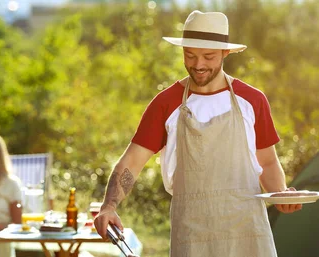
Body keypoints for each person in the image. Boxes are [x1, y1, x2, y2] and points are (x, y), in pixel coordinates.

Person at [93, 11, 302, 257]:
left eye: (208, 56)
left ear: (225, 53)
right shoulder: (166, 103)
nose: (198, 65)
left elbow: (266, 161)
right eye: (190, 55)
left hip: (248, 233)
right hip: (193, 236)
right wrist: (109, 205)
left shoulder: (252, 100)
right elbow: (132, 162)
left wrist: (281, 195)